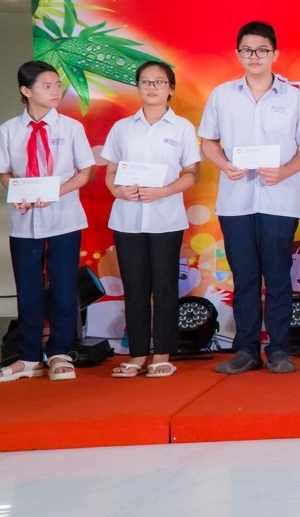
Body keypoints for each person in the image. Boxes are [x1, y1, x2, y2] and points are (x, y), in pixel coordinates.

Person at [199, 21, 300, 375]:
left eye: (262, 50)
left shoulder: (294, 98)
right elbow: (208, 140)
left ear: (275, 54)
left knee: (279, 278)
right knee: (245, 278)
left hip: (278, 200)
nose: (254, 56)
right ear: (238, 54)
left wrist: (284, 171)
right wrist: (224, 164)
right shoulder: (222, 95)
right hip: (236, 201)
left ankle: (280, 349)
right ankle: (246, 350)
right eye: (247, 50)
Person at [0, 60, 96, 383]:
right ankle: (29, 357)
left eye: (57, 85)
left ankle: (60, 352)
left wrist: (56, 192)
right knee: (28, 288)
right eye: (47, 86)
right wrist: (16, 191)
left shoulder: (71, 128)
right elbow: (4, 172)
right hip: (23, 220)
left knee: (63, 286)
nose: (55, 91)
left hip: (64, 218)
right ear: (26, 90)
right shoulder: (9, 130)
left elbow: (86, 172)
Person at [101, 61, 201, 379]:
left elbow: (192, 173)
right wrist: (118, 191)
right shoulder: (122, 128)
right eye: (145, 81)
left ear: (171, 88)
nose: (152, 87)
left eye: (159, 82)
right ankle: (137, 354)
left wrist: (164, 191)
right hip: (127, 218)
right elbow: (111, 171)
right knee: (135, 287)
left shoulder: (182, 128)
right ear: (138, 87)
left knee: (165, 286)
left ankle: (162, 354)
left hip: (166, 218)